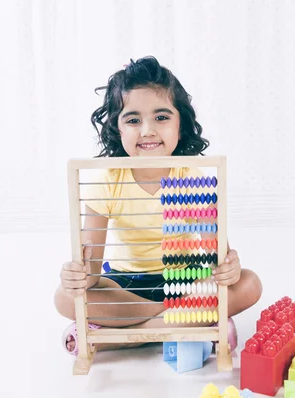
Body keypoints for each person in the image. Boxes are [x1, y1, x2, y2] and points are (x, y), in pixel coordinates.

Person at [54, 56, 263, 355]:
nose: (148, 130)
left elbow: (220, 261)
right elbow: (91, 274)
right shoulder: (107, 180)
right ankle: (187, 324)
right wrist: (76, 277)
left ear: (181, 124)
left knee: (250, 283)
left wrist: (229, 268)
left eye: (162, 117)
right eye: (133, 119)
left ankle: (122, 335)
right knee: (63, 297)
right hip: (126, 288)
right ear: (118, 128)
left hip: (186, 282)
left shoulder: (191, 177)